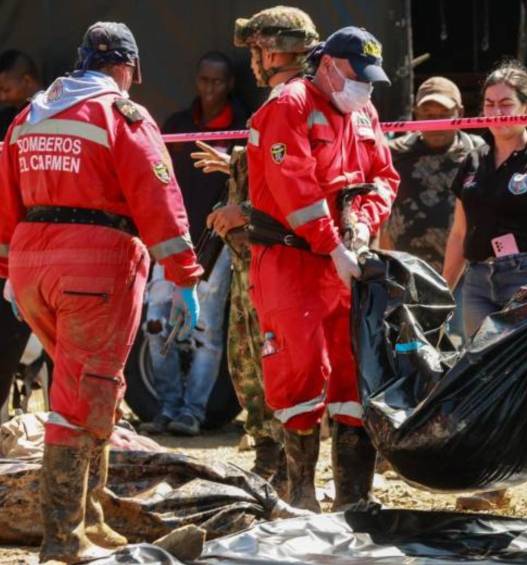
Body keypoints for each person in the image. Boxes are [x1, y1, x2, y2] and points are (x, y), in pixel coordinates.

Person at [0, 22, 203, 563]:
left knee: (90, 383)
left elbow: (6, 194)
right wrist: (184, 276)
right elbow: (159, 195)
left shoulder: (31, 115)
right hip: (93, 265)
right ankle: (63, 540)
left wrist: (8, 271)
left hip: (31, 261)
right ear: (126, 68)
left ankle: (91, 521)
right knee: (77, 396)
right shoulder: (122, 116)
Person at [208, 26, 399, 513]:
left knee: (353, 373)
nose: (366, 89)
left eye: (372, 81)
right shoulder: (288, 107)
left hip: (345, 262)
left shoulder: (363, 110)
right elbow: (294, 185)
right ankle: (302, 493)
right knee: (298, 371)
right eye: (359, 77)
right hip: (291, 259)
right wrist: (333, 245)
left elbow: (383, 176)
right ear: (330, 65)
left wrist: (360, 225)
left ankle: (355, 496)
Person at [195, 5, 321, 492]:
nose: (252, 60)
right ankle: (269, 458)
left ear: (277, 50)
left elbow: (301, 185)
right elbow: (275, 167)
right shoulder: (280, 103)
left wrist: (242, 212)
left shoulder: (296, 101)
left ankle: (293, 475)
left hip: (280, 257)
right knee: (247, 361)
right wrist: (236, 164)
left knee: (278, 364)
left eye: (257, 49)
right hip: (255, 259)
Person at [442, 59, 527, 511]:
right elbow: (459, 233)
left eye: (507, 104)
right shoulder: (473, 160)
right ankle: (489, 483)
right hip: (479, 280)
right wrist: (444, 290)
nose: (497, 113)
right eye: (490, 104)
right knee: (482, 380)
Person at [139, 51, 248, 437]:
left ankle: (193, 411)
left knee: (205, 332)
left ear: (231, 84)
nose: (210, 88)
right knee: (154, 325)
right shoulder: (178, 125)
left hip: (216, 244)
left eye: (218, 81)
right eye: (203, 80)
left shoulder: (244, 126)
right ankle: (168, 405)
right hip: (170, 240)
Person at [380, 77, 483, 344]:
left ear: (460, 113)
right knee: (410, 350)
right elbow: (382, 214)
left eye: (443, 115)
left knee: (463, 349)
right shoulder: (394, 153)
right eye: (427, 115)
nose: (435, 122)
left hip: (465, 277)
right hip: (408, 277)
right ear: (415, 115)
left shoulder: (478, 154)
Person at [0, 49, 43, 410]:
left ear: (27, 80)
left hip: (42, 248)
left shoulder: (44, 116)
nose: (0, 94)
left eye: (4, 86)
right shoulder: (5, 120)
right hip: (11, 250)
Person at [0, 49, 42, 137]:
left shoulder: (53, 109)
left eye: (6, 90)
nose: (2, 97)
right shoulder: (5, 119)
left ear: (27, 80)